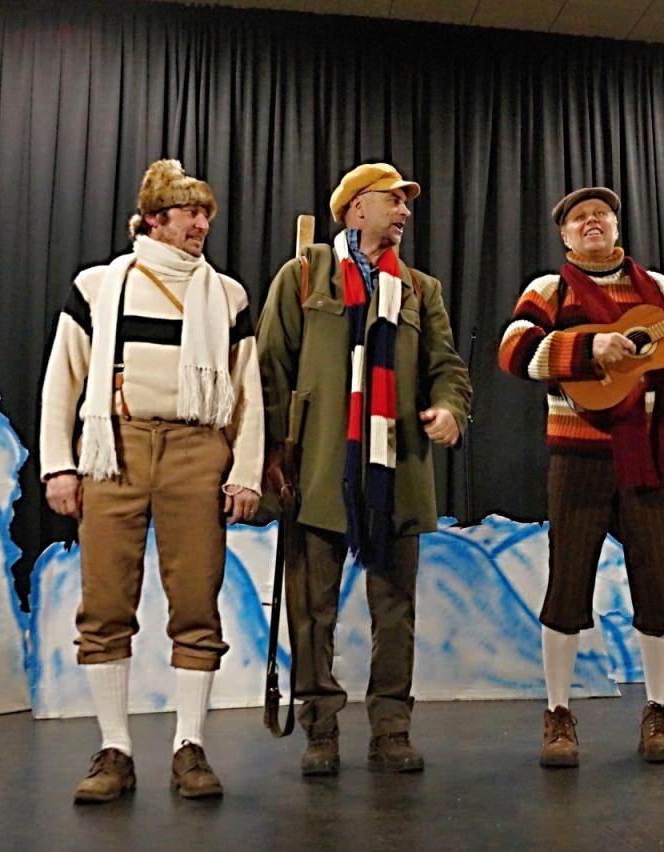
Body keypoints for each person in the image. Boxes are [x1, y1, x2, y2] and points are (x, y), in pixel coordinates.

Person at [498, 186, 664, 767]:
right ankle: (558, 714)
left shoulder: (656, 288)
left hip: (650, 450)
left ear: (616, 227)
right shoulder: (549, 289)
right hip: (578, 454)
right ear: (564, 236)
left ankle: (658, 711)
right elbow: (513, 352)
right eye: (579, 217)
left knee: (657, 581)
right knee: (567, 582)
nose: (592, 222)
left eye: (601, 215)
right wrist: (590, 348)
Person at [40, 159, 263, 801]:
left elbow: (247, 392)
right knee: (105, 602)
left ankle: (190, 746)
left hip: (197, 447)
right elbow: (62, 382)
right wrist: (58, 465)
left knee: (196, 602)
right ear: (154, 219)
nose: (201, 224)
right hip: (115, 446)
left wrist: (245, 472)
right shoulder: (99, 286)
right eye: (190, 212)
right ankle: (114, 749)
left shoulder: (226, 296)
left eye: (206, 214)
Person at [257, 162, 471, 776]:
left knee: (396, 609)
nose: (404, 211)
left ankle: (391, 727)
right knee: (311, 609)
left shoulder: (419, 289)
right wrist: (272, 455)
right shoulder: (305, 275)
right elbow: (270, 367)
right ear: (356, 208)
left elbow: (446, 367)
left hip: (394, 470)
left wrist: (450, 410)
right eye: (392, 200)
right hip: (319, 467)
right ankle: (320, 728)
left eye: (406, 203)